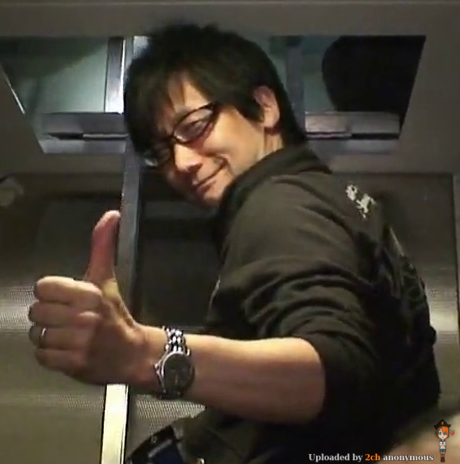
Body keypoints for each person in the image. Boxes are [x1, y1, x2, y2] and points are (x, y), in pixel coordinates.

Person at [27, 23, 440, 463]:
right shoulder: (328, 198)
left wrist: (143, 355)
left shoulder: (281, 204)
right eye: (161, 152)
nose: (181, 163)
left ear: (263, 107)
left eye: (194, 126)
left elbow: (336, 371)